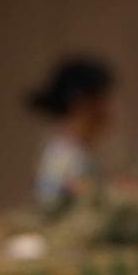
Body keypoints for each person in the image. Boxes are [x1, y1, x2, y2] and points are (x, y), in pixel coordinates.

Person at [27, 57, 115, 210]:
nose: (109, 110)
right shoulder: (61, 156)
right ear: (81, 102)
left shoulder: (74, 151)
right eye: (103, 100)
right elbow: (50, 208)